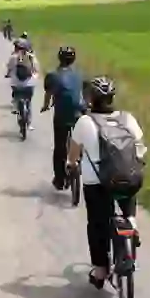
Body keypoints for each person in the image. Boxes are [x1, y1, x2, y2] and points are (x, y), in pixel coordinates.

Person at [65, 76, 147, 289]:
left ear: (90, 99)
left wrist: (71, 165)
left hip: (97, 184)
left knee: (97, 225)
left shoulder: (84, 122)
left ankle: (101, 270)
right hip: (128, 178)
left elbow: (73, 154)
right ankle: (131, 224)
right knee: (127, 207)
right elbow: (139, 146)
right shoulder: (127, 119)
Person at [40, 46, 86, 190]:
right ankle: (79, 161)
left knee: (60, 147)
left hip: (62, 115)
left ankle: (60, 179)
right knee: (80, 140)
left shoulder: (53, 75)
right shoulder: (79, 74)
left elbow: (48, 94)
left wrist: (46, 106)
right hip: (80, 112)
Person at [5, 39, 39, 128]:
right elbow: (36, 69)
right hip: (29, 84)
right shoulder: (31, 57)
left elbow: (9, 68)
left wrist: (8, 74)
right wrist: (35, 75)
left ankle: (16, 106)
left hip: (16, 84)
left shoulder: (13, 57)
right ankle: (29, 124)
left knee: (16, 96)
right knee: (29, 102)